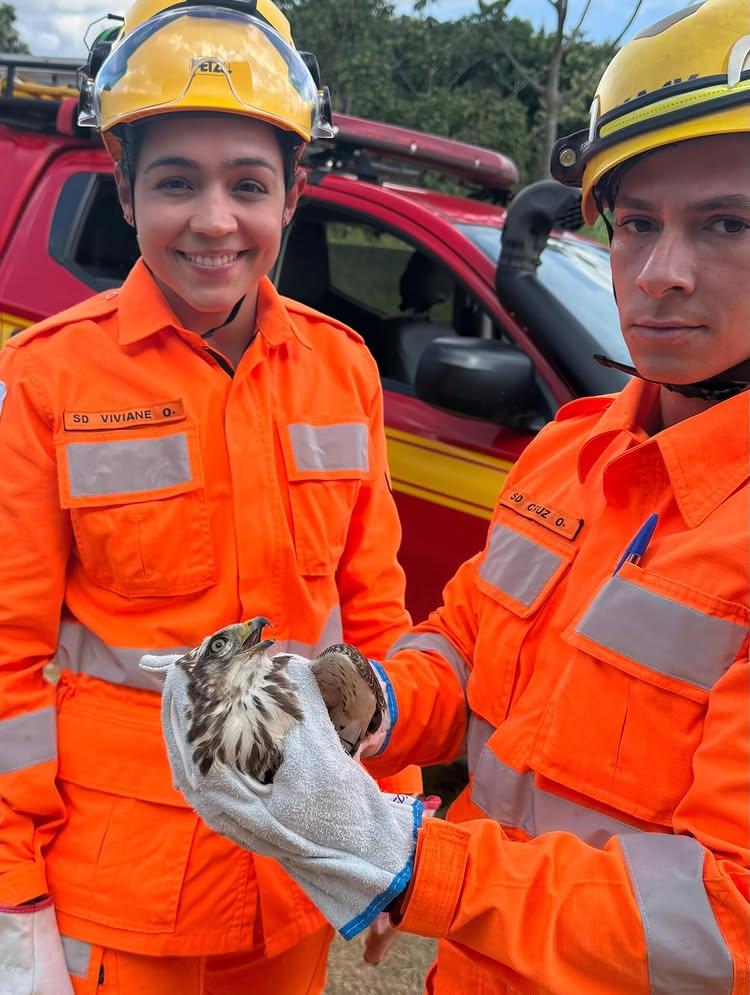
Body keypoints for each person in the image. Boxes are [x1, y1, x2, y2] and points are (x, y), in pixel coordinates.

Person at [162, 1, 750, 991]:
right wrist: (365, 697)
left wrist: (401, 857)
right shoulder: (572, 453)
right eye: (636, 223)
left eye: (726, 223)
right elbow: (472, 645)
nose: (660, 274)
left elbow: (726, 916)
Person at [0, 1, 422, 991]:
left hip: (296, 856)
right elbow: (7, 648)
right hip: (126, 881)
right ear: (126, 190)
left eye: (248, 184)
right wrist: (15, 877)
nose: (214, 220)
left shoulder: (342, 368)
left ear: (294, 195)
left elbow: (375, 614)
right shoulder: (49, 378)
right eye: (176, 182)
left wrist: (391, 832)